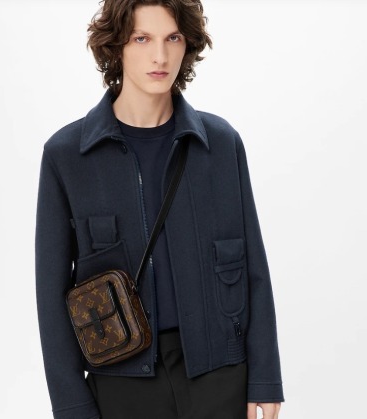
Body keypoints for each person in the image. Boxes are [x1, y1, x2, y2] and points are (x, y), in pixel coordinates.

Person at [35, 0, 285, 418]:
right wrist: (72, 405)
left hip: (218, 373)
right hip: (121, 380)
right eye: (142, 39)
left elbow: (253, 269)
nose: (160, 56)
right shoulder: (67, 156)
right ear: (116, 46)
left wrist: (264, 378)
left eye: (173, 38)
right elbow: (51, 292)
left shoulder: (220, 144)